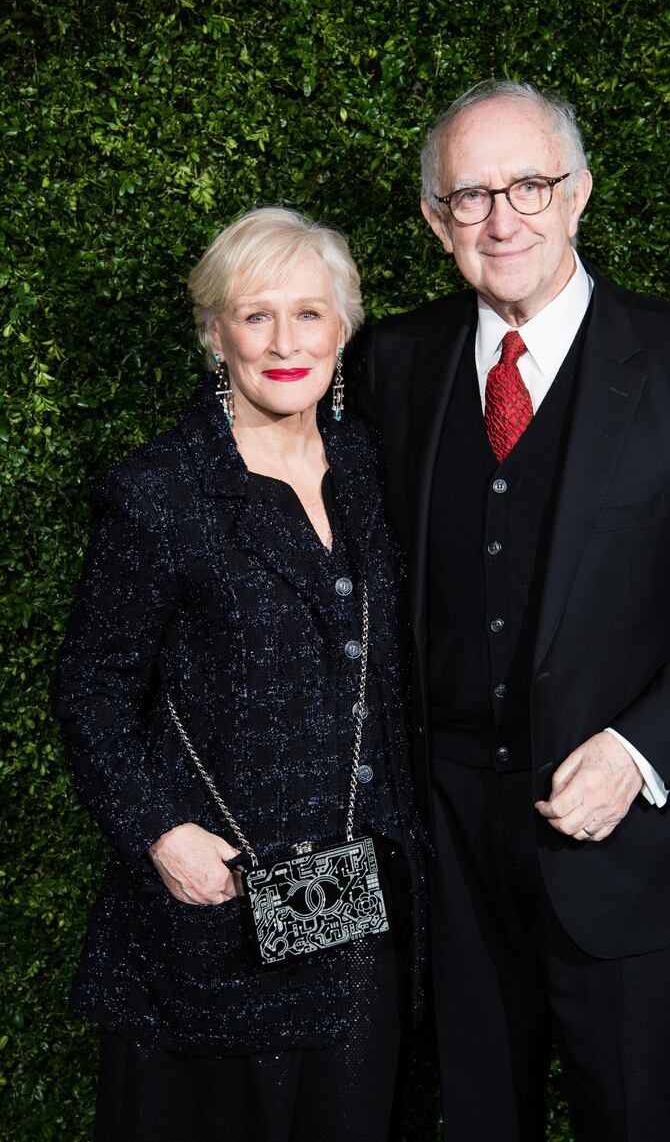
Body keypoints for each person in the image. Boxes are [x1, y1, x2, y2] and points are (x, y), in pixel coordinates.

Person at [361, 79, 670, 1142]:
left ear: (579, 194)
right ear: (434, 220)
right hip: (445, 840)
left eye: (529, 185)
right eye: (469, 196)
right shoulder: (389, 364)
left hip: (618, 844)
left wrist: (636, 754)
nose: (501, 218)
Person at [52, 206, 424, 1142]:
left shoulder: (369, 465)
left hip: (358, 907)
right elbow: (90, 687)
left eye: (310, 313)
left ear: (345, 327)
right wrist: (161, 834)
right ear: (215, 334)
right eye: (255, 315)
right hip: (216, 908)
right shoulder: (160, 490)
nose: (285, 342)